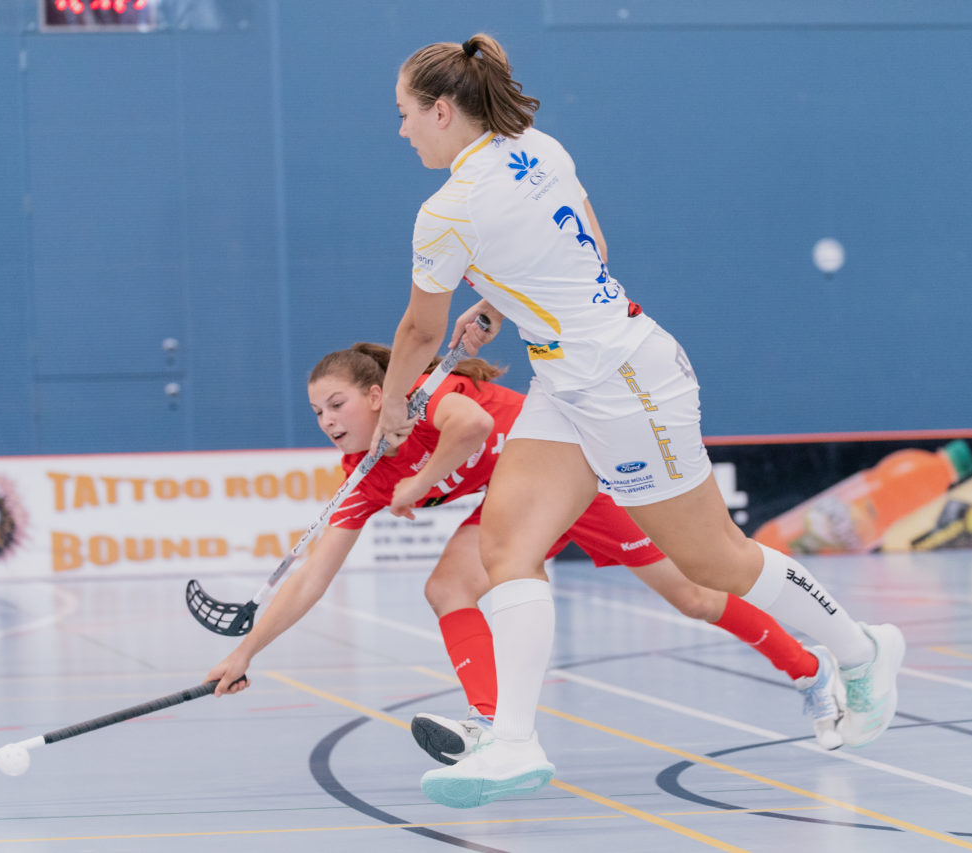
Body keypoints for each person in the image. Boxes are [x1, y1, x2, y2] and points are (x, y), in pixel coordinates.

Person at [374, 33, 905, 809]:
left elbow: (420, 335)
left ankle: (861, 654)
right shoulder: (537, 145)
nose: (402, 130)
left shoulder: (445, 211)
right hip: (566, 378)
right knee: (506, 545)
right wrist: (500, 300)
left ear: (444, 111)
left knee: (714, 560)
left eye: (405, 114)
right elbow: (588, 244)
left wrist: (393, 404)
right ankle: (515, 741)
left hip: (627, 383)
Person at [205, 343, 849, 763]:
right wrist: (243, 652)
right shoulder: (361, 471)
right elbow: (314, 574)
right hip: (519, 506)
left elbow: (476, 427)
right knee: (447, 588)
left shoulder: (429, 397)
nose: (327, 419)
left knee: (697, 596)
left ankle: (812, 670)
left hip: (569, 472)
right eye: (318, 411)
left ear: (377, 395)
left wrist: (422, 484)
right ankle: (490, 723)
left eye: (337, 403)